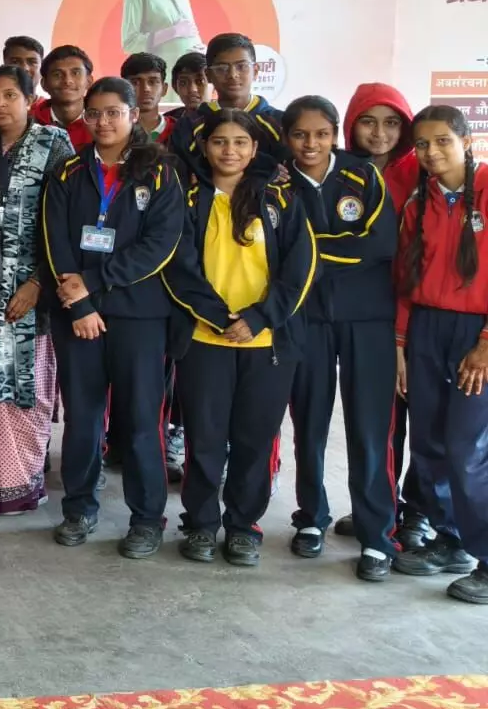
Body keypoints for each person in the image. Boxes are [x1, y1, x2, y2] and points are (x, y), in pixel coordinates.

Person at [166, 107, 315, 568]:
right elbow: (178, 266)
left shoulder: (280, 199)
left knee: (255, 440)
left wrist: (258, 318)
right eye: (219, 142)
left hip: (267, 343)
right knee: (205, 439)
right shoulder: (188, 199)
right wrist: (216, 316)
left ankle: (243, 526)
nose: (229, 151)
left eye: (239, 142)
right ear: (204, 148)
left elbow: (300, 268)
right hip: (204, 340)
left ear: (254, 150)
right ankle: (200, 523)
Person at [43, 78, 185, 558]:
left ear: (132, 114)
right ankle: (79, 508)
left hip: (138, 315)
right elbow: (54, 241)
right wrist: (80, 305)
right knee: (82, 418)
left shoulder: (160, 172)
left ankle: (146, 518)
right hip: (76, 315)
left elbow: (160, 245)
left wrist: (94, 282)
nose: (102, 122)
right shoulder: (67, 172)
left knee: (141, 420)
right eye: (94, 114)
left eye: (113, 112)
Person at [279, 95, 398, 581]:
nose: (311, 143)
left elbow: (380, 243)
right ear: (287, 138)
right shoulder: (276, 183)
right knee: (308, 421)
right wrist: (330, 252)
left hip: (367, 318)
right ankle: (311, 517)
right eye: (300, 134)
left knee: (369, 428)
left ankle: (377, 535)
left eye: (322, 134)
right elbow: (274, 251)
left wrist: (306, 252)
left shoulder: (362, 176)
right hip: (305, 318)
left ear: (336, 134)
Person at [0, 65, 73, 517]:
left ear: (30, 99)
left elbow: (65, 222)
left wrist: (39, 282)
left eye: (10, 96)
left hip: (32, 288)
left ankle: (19, 484)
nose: (0, 105)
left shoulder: (54, 143)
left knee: (27, 386)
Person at [391, 105, 488, 603]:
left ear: (466, 141)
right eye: (422, 144)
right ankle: (449, 540)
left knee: (468, 449)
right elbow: (405, 279)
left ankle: (486, 558)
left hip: (476, 332)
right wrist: (401, 345)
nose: (431, 152)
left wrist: (486, 344)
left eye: (443, 141)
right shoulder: (418, 200)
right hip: (426, 328)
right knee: (428, 442)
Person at [342, 82, 426, 549]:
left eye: (392, 123)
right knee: (378, 422)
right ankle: (377, 507)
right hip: (370, 315)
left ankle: (419, 514)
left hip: (422, 313)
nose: (380, 133)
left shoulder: (421, 171)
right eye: (369, 122)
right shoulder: (341, 171)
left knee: (427, 424)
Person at [169, 33, 286, 174]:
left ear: (255, 71)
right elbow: (180, 176)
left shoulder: (280, 123)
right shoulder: (189, 126)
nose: (232, 75)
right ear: (208, 75)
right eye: (222, 68)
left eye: (241, 66)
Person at [32, 46, 93, 152]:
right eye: (57, 74)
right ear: (44, 84)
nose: (67, 81)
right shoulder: (28, 125)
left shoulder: (101, 125)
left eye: (75, 73)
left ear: (89, 81)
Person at [121, 52, 176, 141]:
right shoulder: (113, 131)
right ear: (123, 89)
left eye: (152, 82)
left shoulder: (181, 131)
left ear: (164, 89)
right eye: (135, 82)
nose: (146, 89)